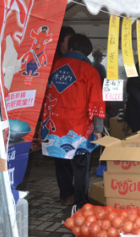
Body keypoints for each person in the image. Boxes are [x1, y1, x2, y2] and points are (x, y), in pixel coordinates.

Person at [41, 34, 105, 209]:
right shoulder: (90, 71)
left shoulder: (53, 67)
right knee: (81, 166)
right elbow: (97, 101)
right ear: (88, 52)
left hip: (54, 125)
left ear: (70, 47)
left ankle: (66, 195)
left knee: (60, 162)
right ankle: (80, 201)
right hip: (78, 127)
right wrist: (98, 128)